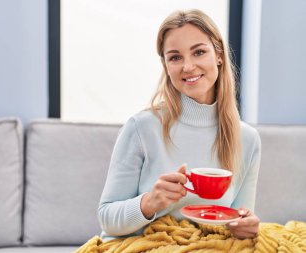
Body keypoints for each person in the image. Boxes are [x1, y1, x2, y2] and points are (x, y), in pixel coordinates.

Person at [98, 9, 261, 241]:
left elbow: (236, 220)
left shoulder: (248, 139)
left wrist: (246, 226)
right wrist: (149, 203)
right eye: (175, 57)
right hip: (143, 244)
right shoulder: (142, 127)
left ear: (219, 55)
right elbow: (106, 217)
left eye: (199, 52)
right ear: (165, 65)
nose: (188, 66)